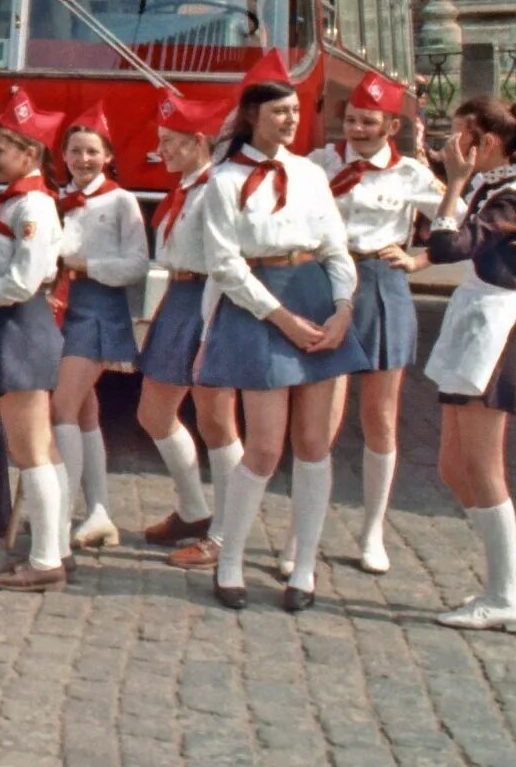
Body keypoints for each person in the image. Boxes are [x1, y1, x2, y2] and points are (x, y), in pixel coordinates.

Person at [194, 51, 367, 612]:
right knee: (265, 447)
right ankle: (231, 559)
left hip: (317, 298)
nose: (290, 121)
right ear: (251, 117)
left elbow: (336, 249)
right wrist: (281, 319)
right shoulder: (222, 182)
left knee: (315, 444)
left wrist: (342, 308)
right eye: (278, 113)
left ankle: (305, 570)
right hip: (260, 309)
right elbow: (225, 264)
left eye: (294, 111)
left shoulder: (312, 174)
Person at [423, 97, 516, 632]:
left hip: (497, 331)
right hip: (473, 321)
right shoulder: (497, 185)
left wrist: (451, 184)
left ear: (491, 144)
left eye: (462, 138)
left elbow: (450, 245)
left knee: (482, 465)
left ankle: (503, 597)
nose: (455, 148)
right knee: (452, 468)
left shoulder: (514, 196)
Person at [310, 72, 443, 575]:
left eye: (369, 122)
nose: (358, 130)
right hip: (327, 283)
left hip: (383, 285)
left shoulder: (410, 174)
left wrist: (421, 260)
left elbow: (462, 224)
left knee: (380, 419)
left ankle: (372, 534)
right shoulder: (323, 164)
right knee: (320, 422)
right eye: (351, 120)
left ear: (390, 125)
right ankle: (307, 532)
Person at [0, 90, 71, 591]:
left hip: (22, 322)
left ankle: (46, 561)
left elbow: (23, 282)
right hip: (16, 323)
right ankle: (57, 545)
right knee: (42, 446)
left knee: (31, 450)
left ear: (30, 154)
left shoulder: (33, 208)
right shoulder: (18, 201)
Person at [130, 88, 245, 572]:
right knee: (154, 412)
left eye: (173, 142)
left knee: (217, 420)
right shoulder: (182, 190)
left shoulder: (219, 187)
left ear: (201, 142)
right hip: (177, 298)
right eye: (161, 141)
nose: (164, 152)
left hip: (212, 298)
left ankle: (225, 533)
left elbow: (226, 260)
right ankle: (194, 510)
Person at [51, 103, 148, 551]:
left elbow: (136, 265)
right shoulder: (57, 200)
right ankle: (99, 512)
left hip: (98, 309)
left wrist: (86, 266)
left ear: (108, 155)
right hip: (62, 309)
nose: (83, 160)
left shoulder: (122, 201)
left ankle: (61, 513)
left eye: (92, 152)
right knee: (85, 412)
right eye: (75, 151)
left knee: (62, 408)